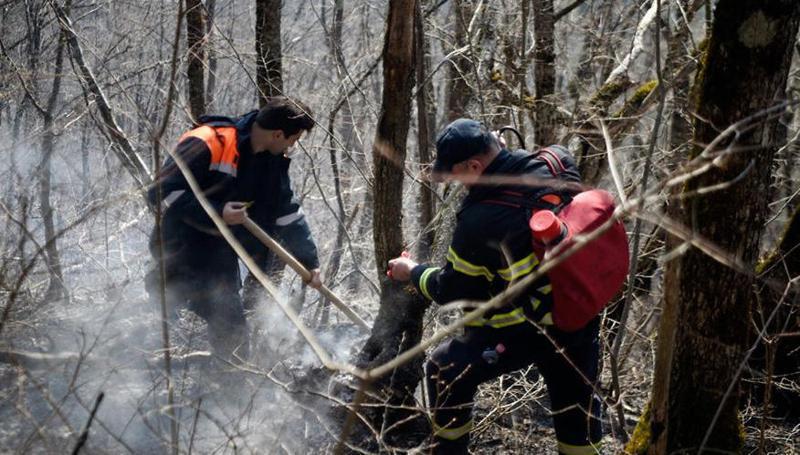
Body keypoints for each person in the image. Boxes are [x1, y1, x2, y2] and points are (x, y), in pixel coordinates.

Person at [387, 119, 603, 454]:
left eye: (457, 174)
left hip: (528, 328)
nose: (455, 183)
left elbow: (452, 290)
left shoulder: (481, 221)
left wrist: (412, 271)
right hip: (580, 314)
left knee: (444, 368)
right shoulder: (556, 161)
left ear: (474, 165)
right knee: (578, 420)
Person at [146, 96, 322, 361]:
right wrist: (218, 214)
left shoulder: (272, 162)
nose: (291, 148)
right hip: (179, 250)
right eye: (292, 140)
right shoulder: (209, 140)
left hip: (219, 260)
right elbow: (160, 192)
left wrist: (310, 263)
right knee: (160, 331)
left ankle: (224, 394)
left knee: (233, 336)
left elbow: (287, 213)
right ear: (277, 134)